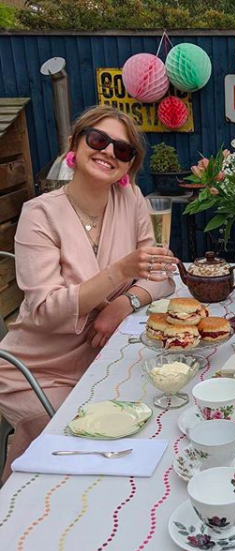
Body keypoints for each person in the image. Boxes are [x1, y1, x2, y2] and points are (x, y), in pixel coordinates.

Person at [0, 105, 177, 479]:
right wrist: (121, 272)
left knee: (160, 413)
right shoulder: (39, 214)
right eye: (98, 139)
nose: (109, 152)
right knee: (81, 441)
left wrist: (124, 302)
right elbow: (46, 310)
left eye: (123, 150)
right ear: (74, 146)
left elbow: (161, 276)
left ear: (128, 167)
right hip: (40, 367)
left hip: (107, 355)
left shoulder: (131, 201)